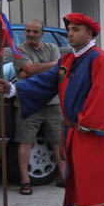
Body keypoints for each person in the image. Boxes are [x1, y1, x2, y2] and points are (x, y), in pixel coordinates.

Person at [0, 13, 104, 206]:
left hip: (92, 131)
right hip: (74, 130)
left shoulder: (100, 59)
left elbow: (103, 96)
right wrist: (13, 89)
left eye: (75, 29)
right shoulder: (67, 61)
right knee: (83, 177)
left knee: (101, 178)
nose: (69, 33)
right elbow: (46, 81)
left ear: (89, 33)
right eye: (69, 29)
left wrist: (88, 124)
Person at [13, 20, 66, 194]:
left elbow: (60, 70)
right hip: (29, 102)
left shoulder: (52, 47)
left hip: (53, 102)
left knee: (59, 141)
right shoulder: (19, 50)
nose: (31, 34)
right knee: (25, 141)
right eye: (28, 31)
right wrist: (53, 65)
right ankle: (25, 181)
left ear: (42, 34)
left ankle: (63, 177)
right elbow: (29, 69)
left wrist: (33, 70)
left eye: (35, 31)